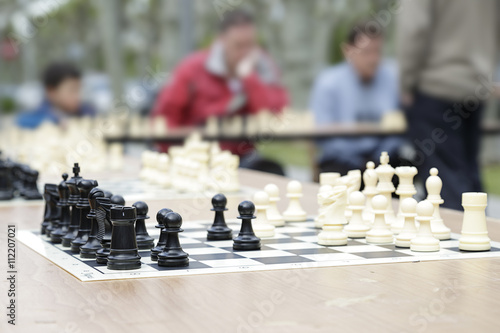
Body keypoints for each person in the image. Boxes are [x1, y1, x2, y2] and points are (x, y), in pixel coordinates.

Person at [397, 0, 499, 210]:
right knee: (469, 177)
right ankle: (478, 235)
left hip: (435, 87)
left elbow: (414, 28)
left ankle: (460, 239)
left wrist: (406, 83)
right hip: (475, 86)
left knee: (444, 182)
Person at [152, 10, 288, 159]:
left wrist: (249, 78)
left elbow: (273, 118)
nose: (245, 53)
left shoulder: (262, 67)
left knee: (270, 169)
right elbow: (164, 120)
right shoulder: (192, 68)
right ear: (221, 41)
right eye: (238, 45)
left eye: (250, 45)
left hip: (240, 158)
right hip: (194, 156)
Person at [310, 21, 402, 176]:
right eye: (366, 52)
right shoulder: (328, 82)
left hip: (382, 160)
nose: (373, 59)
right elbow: (322, 134)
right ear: (348, 51)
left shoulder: (392, 78)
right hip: (341, 161)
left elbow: (398, 130)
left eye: (377, 51)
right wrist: (358, 163)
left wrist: (378, 159)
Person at [16, 62, 95, 129]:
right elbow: (21, 121)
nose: (77, 96)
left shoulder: (84, 111)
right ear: (51, 91)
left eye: (78, 90)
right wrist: (55, 121)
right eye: (72, 90)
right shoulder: (42, 112)